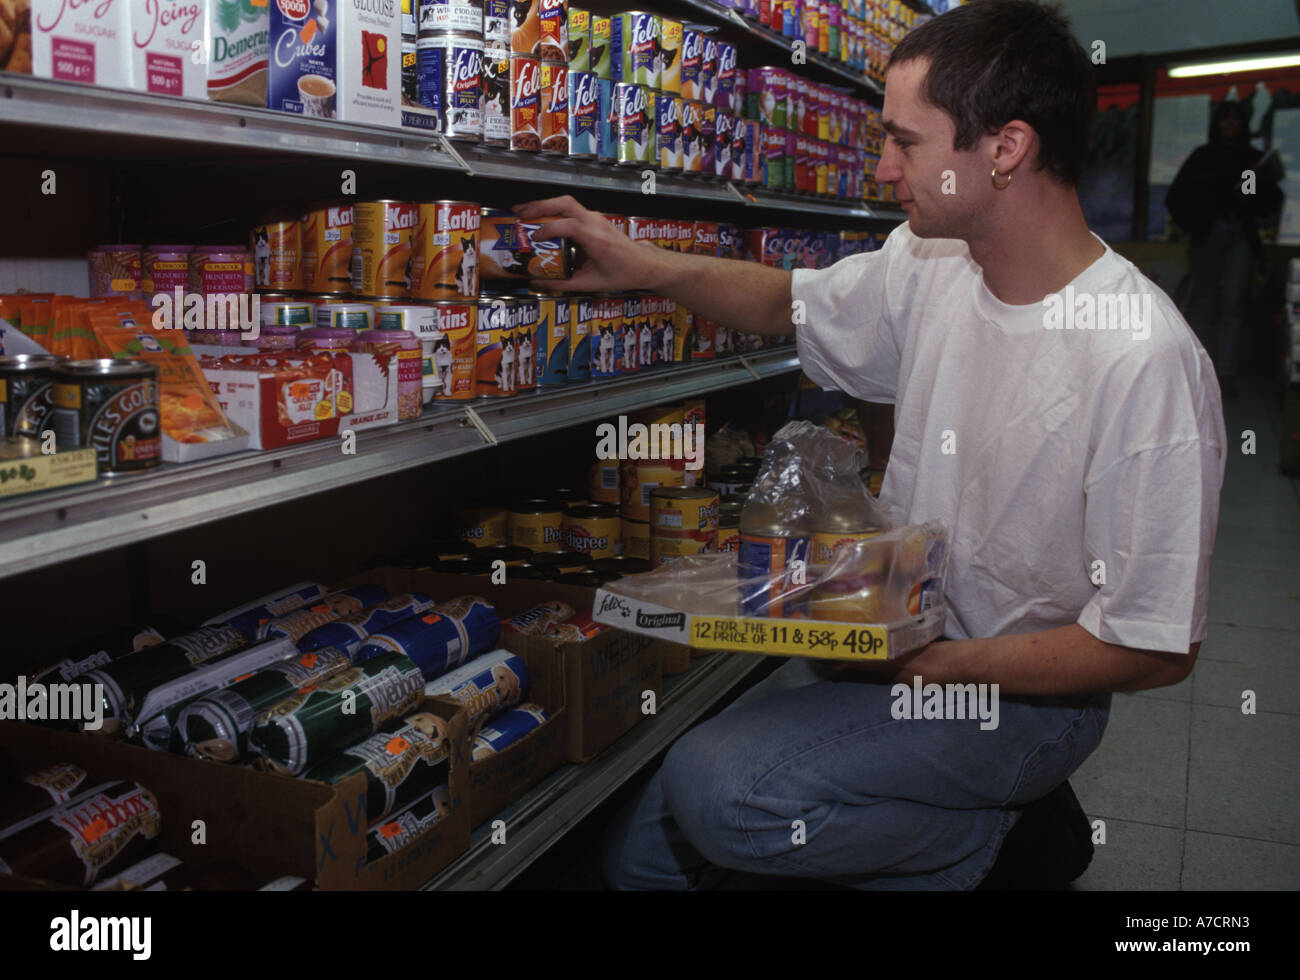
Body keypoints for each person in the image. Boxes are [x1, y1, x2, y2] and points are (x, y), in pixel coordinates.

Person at [517, 0, 1225, 890]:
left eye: (906, 141)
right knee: (641, 857)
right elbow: (788, 301)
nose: (883, 165)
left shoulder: (1140, 359)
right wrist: (646, 265)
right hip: (897, 635)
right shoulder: (930, 261)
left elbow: (1155, 645)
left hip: (1022, 694)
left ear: (1004, 150)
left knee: (724, 792)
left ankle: (1000, 848)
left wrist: (934, 666)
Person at [1166, 100, 1284, 396]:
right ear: (1216, 124)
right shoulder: (1204, 156)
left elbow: (1264, 200)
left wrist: (1260, 177)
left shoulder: (1251, 157)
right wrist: (1199, 221)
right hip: (1210, 232)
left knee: (1234, 304)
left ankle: (1227, 375)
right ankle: (1198, 373)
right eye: (1225, 119)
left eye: (1235, 120)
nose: (1230, 125)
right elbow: (1179, 195)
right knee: (1204, 304)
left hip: (1240, 234)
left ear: (1243, 124)